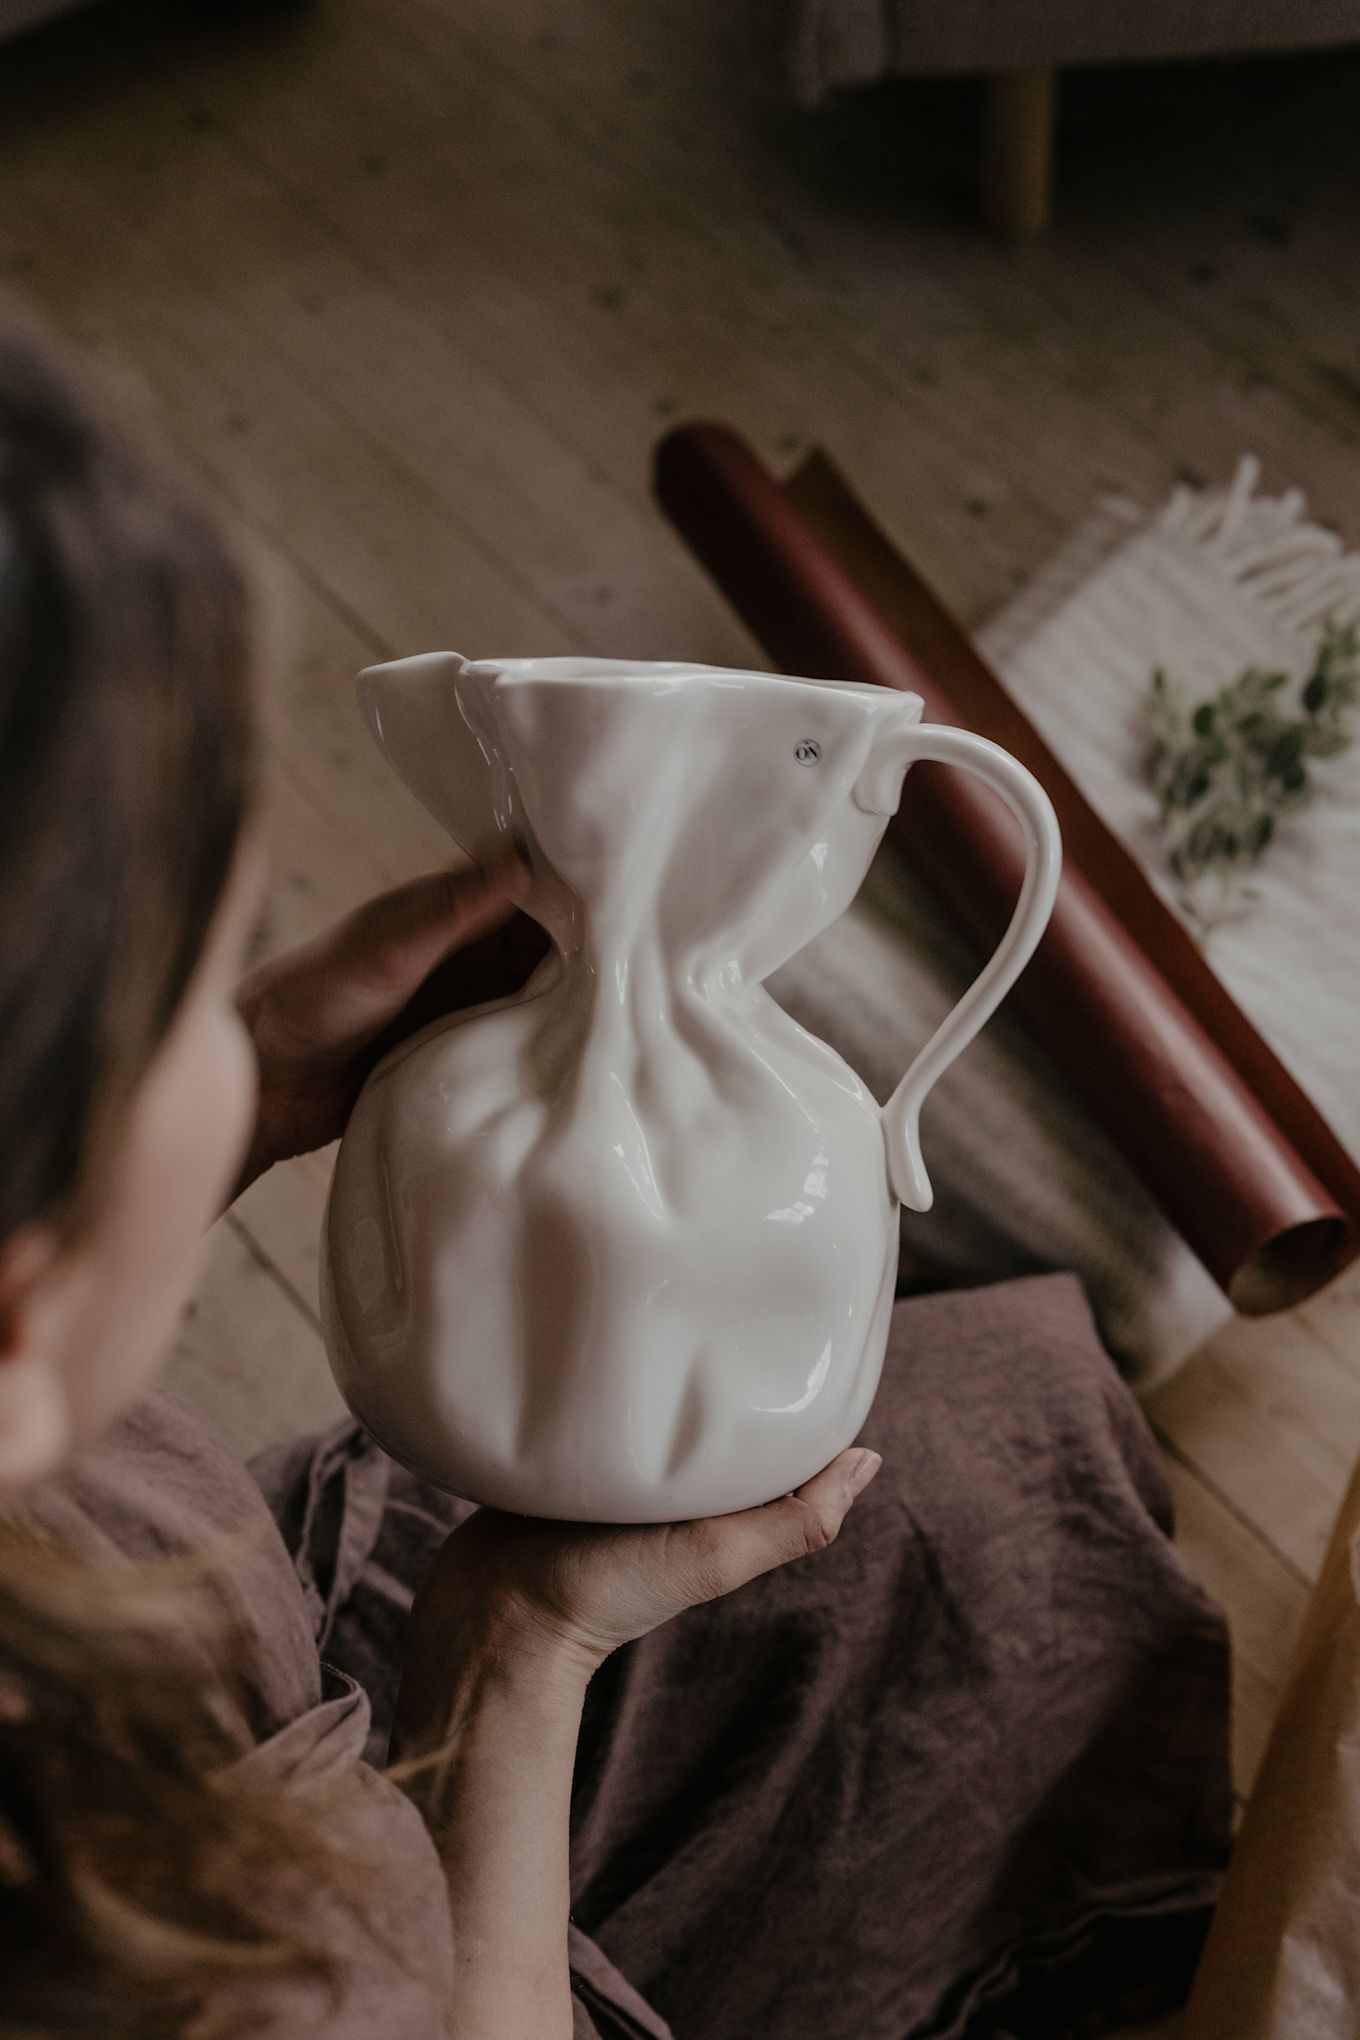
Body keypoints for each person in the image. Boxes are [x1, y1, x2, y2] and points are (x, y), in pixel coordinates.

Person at [0, 300, 1233, 2040]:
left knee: (1016, 1406)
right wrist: (510, 1660)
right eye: (194, 1001)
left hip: (237, 1657)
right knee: (981, 1566)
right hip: (414, 1916)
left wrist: (261, 1066)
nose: (241, 1032)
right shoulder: (181, 1970)